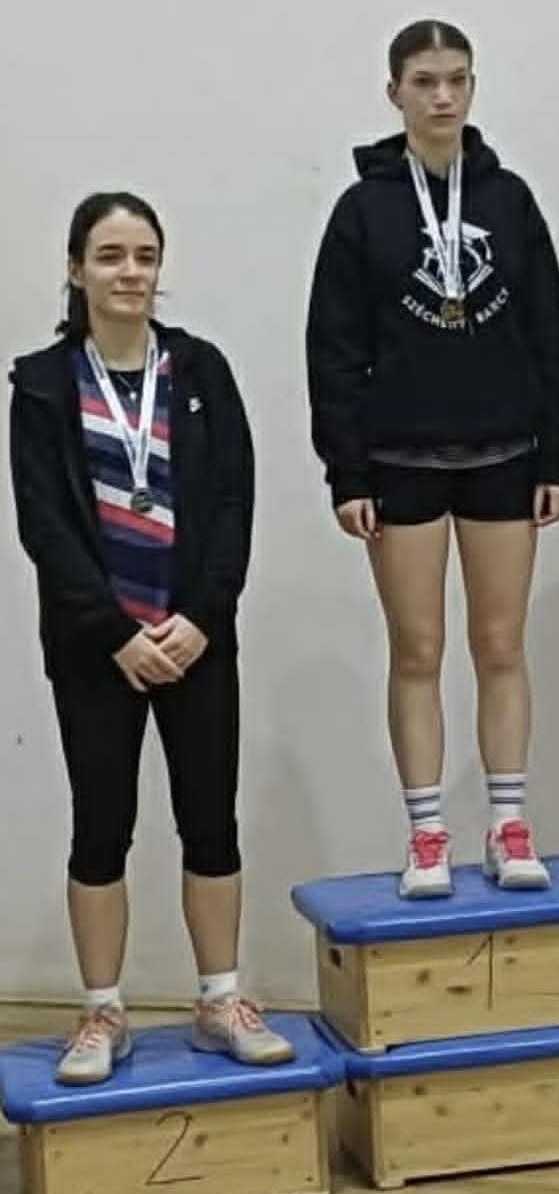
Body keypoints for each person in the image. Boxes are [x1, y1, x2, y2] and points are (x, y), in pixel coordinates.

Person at [9, 192, 294, 1083]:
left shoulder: (201, 370)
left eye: (143, 256)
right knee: (102, 827)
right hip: (98, 650)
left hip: (196, 640)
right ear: (76, 270)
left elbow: (235, 502)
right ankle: (102, 1011)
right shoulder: (42, 385)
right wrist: (114, 633)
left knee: (210, 821)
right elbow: (44, 526)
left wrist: (203, 617)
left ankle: (219, 1000)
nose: (129, 272)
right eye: (110, 256)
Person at [306, 20, 559, 898]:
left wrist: (557, 456)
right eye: (425, 81)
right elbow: (333, 350)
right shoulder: (362, 211)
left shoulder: (509, 200)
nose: (442, 96)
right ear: (394, 92)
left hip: (506, 451)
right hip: (400, 459)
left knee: (500, 642)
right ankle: (427, 833)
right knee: (417, 648)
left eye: (457, 79)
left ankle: (508, 823)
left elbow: (550, 332)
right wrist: (347, 471)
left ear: (473, 87)